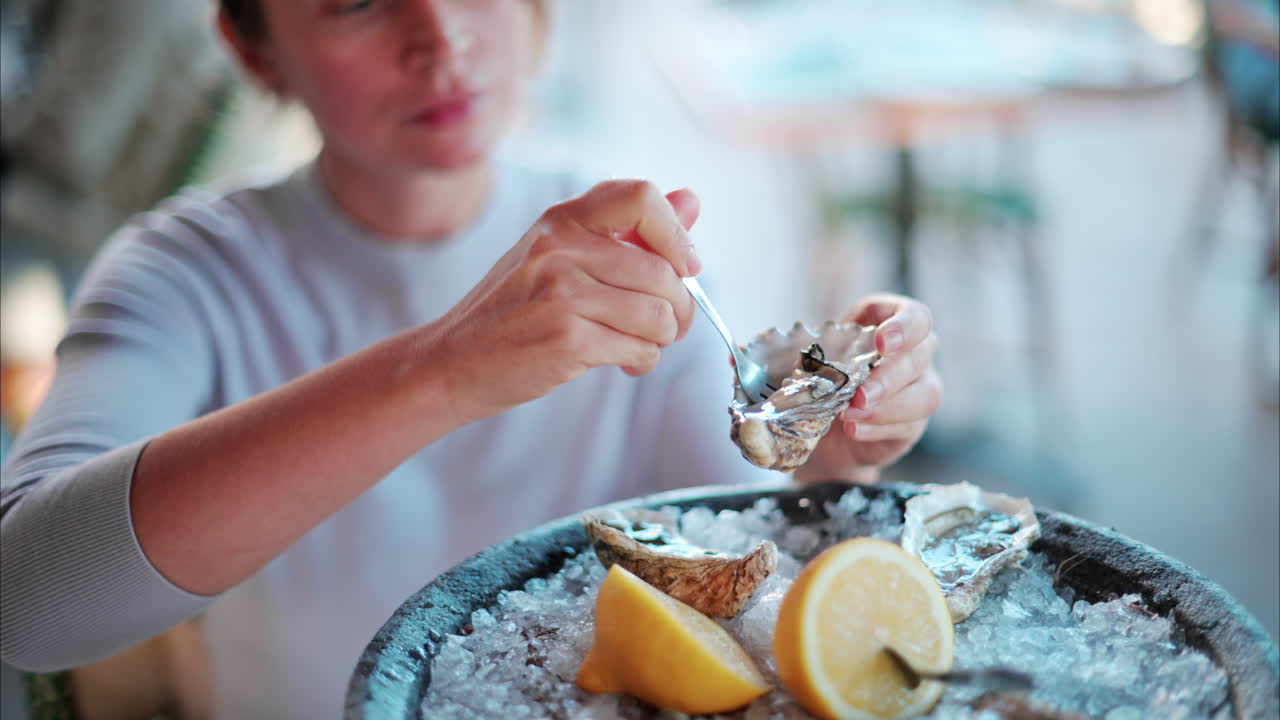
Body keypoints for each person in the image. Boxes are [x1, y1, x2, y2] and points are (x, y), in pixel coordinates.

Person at [0, 1, 943, 717]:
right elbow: (30, 604)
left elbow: (733, 543)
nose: (440, 37)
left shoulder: (630, 239)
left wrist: (834, 434)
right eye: (359, 0)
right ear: (254, 47)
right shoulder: (184, 273)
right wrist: (442, 370)